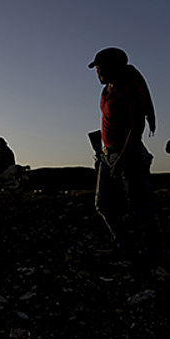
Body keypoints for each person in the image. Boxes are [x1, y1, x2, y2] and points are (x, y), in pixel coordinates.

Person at [88, 47, 167, 271]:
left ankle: (155, 253)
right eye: (97, 69)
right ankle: (125, 246)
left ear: (115, 67)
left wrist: (121, 159)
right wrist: (104, 153)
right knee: (103, 204)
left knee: (141, 205)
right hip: (108, 155)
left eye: (101, 67)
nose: (98, 72)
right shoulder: (106, 91)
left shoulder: (130, 88)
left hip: (129, 154)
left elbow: (137, 126)